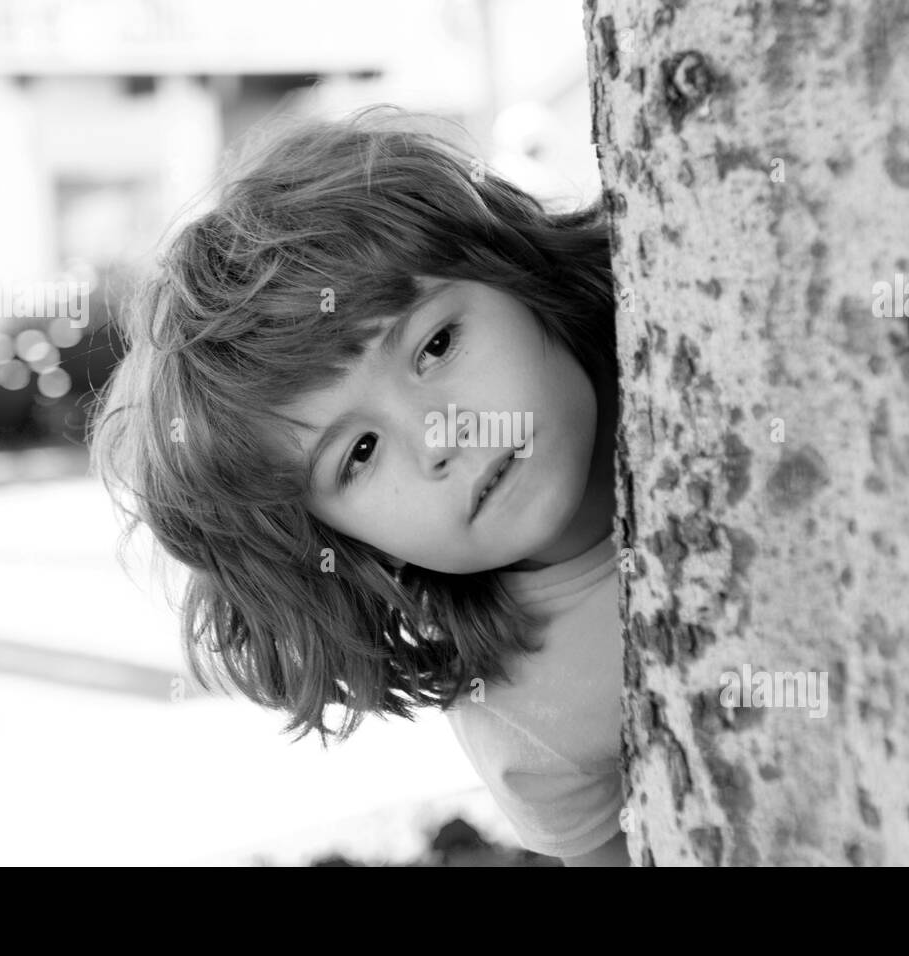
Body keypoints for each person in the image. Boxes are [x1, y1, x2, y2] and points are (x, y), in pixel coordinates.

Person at [88, 104, 630, 866]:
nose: (441, 438)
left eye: (437, 345)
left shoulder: (698, 327)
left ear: (515, 274)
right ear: (340, 541)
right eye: (361, 453)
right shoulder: (532, 725)